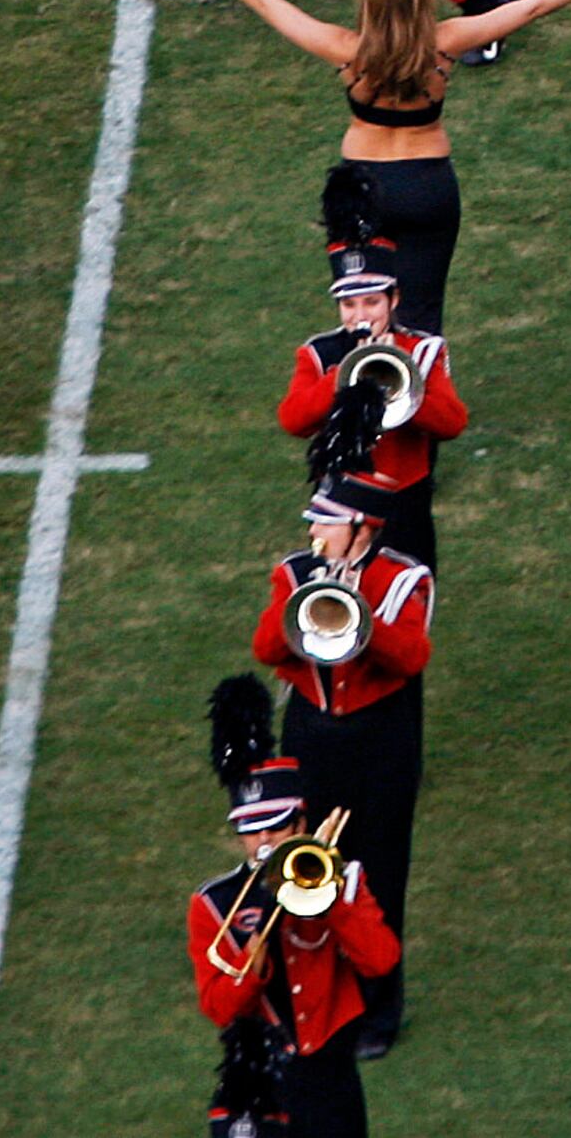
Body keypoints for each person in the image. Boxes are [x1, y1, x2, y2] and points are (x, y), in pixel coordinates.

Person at [173, 0, 571, 324]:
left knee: (362, 315)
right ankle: (420, 411)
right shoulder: (446, 42)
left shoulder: (344, 49)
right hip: (428, 188)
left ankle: (367, 411)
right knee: (422, 318)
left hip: (362, 192)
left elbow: (263, 0)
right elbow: (533, 7)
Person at [251, 420, 431, 1051]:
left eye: (324, 522)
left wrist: (359, 616)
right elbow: (267, 648)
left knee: (376, 876)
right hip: (309, 730)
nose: (312, 533)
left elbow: (410, 658)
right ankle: (317, 1002)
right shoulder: (294, 572)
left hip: (380, 738)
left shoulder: (406, 580)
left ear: (361, 526)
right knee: (304, 869)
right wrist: (305, 598)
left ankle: (379, 1013)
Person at [192, 681, 397, 1137]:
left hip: (329, 1073)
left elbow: (381, 960)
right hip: (261, 1077)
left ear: (301, 823)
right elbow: (218, 1007)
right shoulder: (214, 904)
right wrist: (254, 959)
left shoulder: (342, 880)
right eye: (250, 830)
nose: (262, 841)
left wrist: (331, 901)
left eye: (274, 828)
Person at [277, 173, 469, 570]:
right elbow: (292, 419)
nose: (360, 316)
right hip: (339, 505)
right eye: (349, 306)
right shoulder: (318, 354)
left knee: (405, 597)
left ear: (393, 299)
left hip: (404, 501)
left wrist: (404, 384)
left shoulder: (422, 350)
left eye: (371, 303)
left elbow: (452, 423)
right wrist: (344, 375)